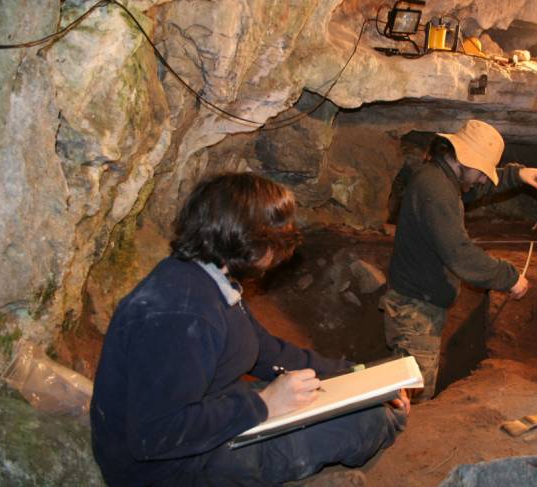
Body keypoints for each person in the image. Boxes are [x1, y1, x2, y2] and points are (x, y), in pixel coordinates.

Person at [90, 172, 409, 486]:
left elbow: (268, 351)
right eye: (278, 234)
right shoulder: (182, 315)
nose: (284, 246)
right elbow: (155, 435)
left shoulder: (209, 280)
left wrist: (360, 378)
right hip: (172, 470)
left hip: (211, 412)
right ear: (246, 239)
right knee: (363, 422)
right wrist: (264, 405)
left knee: (352, 405)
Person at [381, 119, 537, 401]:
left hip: (419, 300)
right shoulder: (436, 190)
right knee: (414, 399)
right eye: (482, 172)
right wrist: (509, 277)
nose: (484, 179)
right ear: (464, 160)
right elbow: (459, 253)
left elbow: (475, 188)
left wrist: (516, 175)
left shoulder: (441, 177)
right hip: (414, 310)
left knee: (410, 391)